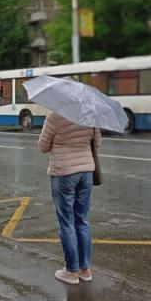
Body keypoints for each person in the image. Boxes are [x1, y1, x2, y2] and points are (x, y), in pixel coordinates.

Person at [38, 111, 101, 285]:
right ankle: (85, 269)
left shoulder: (54, 117)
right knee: (82, 220)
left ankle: (71, 271)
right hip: (86, 172)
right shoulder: (89, 115)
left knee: (67, 222)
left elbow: (43, 147)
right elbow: (97, 142)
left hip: (64, 173)